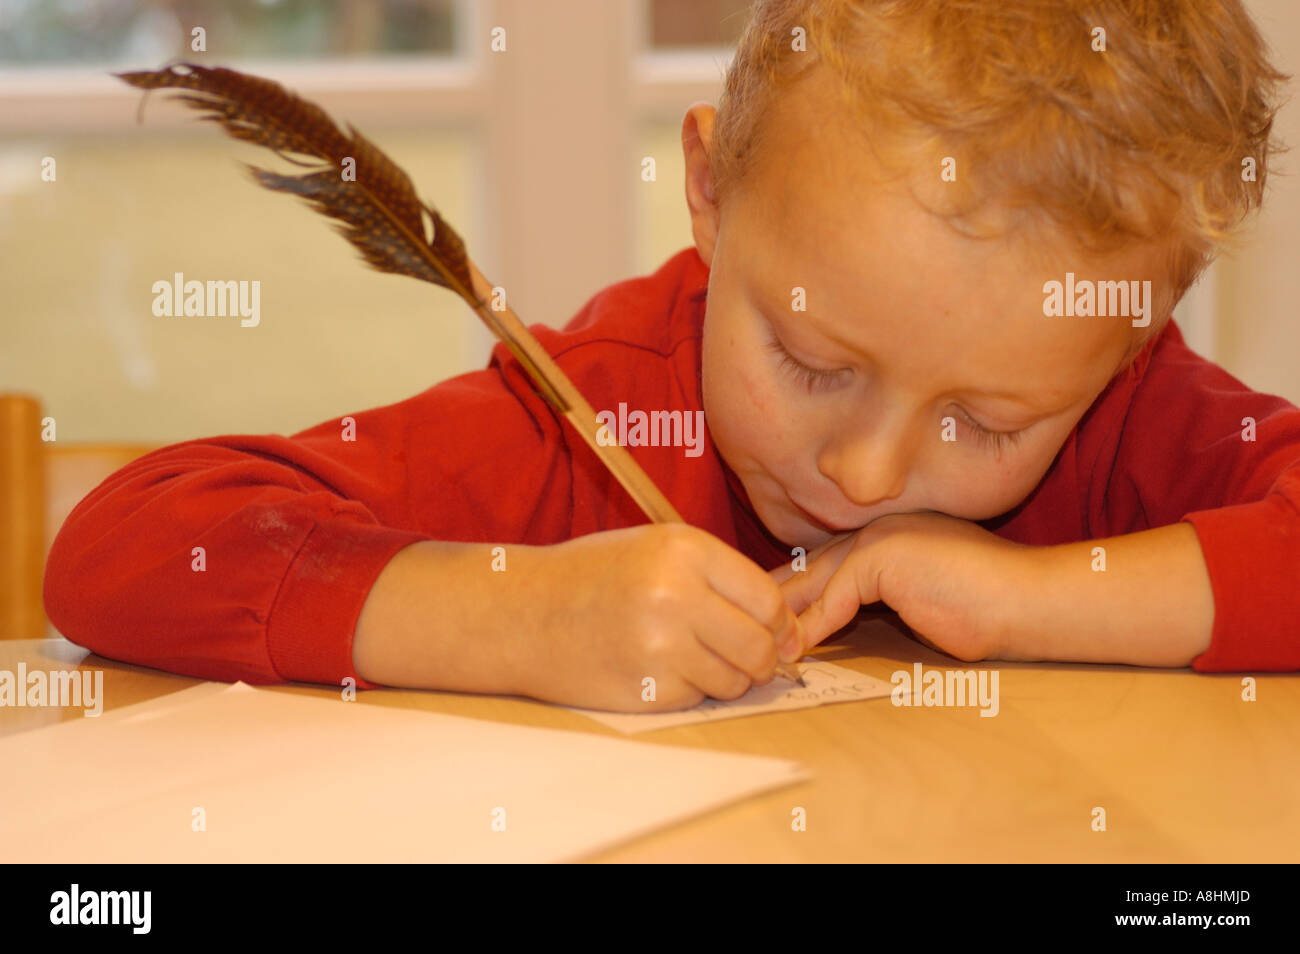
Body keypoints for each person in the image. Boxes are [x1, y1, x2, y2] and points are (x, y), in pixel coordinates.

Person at [44, 0, 1296, 712]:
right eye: (810, 359)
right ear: (707, 190)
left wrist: (1028, 595)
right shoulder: (591, 418)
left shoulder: (1130, 422)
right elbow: (127, 548)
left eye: (987, 423)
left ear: (1120, 354)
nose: (864, 476)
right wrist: (517, 617)